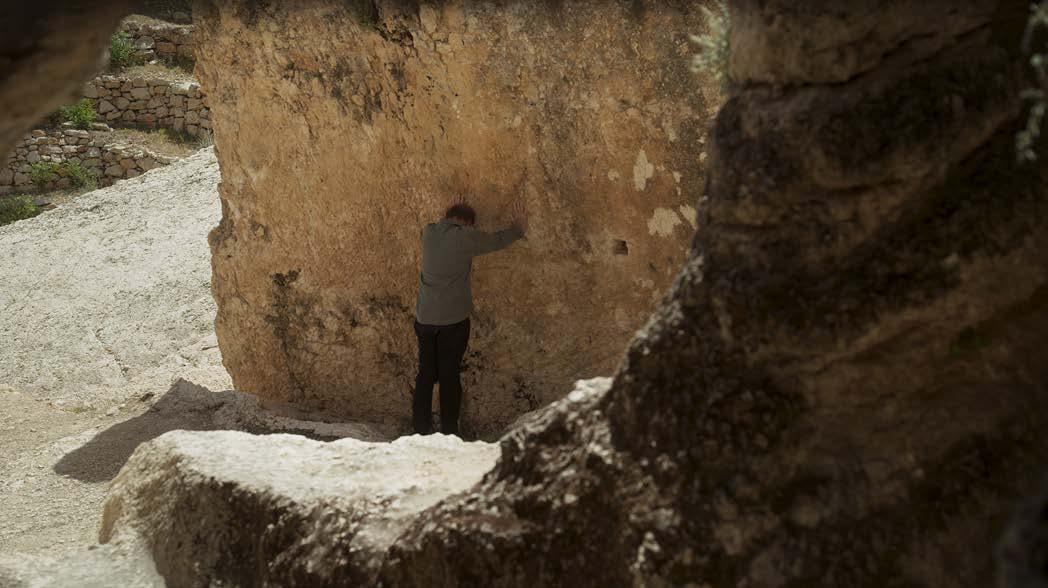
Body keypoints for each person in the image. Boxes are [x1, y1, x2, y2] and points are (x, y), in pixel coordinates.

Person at [412, 197, 528, 436]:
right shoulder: (465, 237)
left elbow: (444, 223)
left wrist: (450, 212)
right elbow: (495, 241)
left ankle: (420, 428)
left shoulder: (429, 232)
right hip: (452, 321)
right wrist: (518, 229)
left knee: (425, 374)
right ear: (468, 224)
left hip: (424, 318)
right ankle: (449, 431)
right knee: (449, 374)